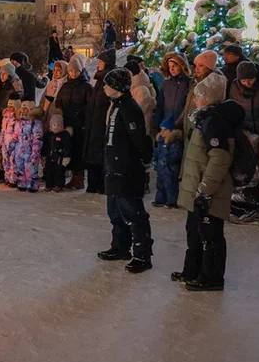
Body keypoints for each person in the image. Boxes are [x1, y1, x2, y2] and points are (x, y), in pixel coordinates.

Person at [173, 73, 240, 292]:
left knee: (209, 235)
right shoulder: (203, 119)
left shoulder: (215, 122)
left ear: (207, 98)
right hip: (198, 189)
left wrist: (205, 190)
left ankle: (211, 277)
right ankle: (192, 269)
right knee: (194, 230)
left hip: (209, 191)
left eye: (198, 96)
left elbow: (219, 159)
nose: (194, 100)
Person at [98, 68, 154, 272]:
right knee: (115, 211)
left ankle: (142, 254)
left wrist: (143, 160)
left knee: (133, 212)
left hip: (126, 169)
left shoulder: (130, 108)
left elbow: (139, 140)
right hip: (113, 167)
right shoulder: (115, 106)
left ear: (117, 87)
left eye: (107, 84)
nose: (104, 87)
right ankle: (120, 246)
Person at [154, 53, 191, 207]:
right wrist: (157, 125)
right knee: (161, 162)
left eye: (175, 65)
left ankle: (172, 197)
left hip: (178, 129)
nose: (173, 69)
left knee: (172, 163)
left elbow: (187, 107)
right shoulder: (166, 84)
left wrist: (178, 126)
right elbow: (160, 106)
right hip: (164, 127)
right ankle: (161, 195)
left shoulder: (188, 84)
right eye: (170, 66)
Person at [54, 55, 91, 190]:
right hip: (66, 122)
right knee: (67, 150)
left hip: (79, 124)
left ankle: (78, 178)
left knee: (78, 151)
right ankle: (64, 178)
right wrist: (59, 112)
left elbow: (89, 105)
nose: (73, 74)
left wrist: (81, 115)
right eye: (70, 71)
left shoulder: (86, 87)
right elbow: (58, 101)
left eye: (75, 71)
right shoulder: (65, 86)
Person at [82, 50, 116, 195]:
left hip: (102, 121)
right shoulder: (99, 80)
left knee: (101, 153)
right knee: (93, 152)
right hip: (94, 120)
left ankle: (101, 184)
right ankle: (92, 183)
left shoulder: (109, 80)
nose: (98, 64)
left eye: (101, 62)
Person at [5, 100, 44, 191]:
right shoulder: (19, 123)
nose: (23, 111)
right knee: (20, 167)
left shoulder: (35, 123)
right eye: (22, 109)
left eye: (25, 109)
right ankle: (22, 182)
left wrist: (35, 151)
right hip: (19, 150)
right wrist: (12, 146)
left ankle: (32, 184)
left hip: (29, 150)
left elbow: (37, 139)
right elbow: (16, 135)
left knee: (30, 167)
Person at [44, 113, 72, 192]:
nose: (55, 126)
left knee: (59, 171)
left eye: (57, 124)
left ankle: (58, 185)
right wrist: (43, 155)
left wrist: (66, 156)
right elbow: (45, 145)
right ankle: (49, 184)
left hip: (60, 157)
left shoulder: (64, 135)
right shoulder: (48, 135)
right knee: (48, 171)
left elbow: (67, 146)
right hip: (50, 156)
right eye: (53, 124)